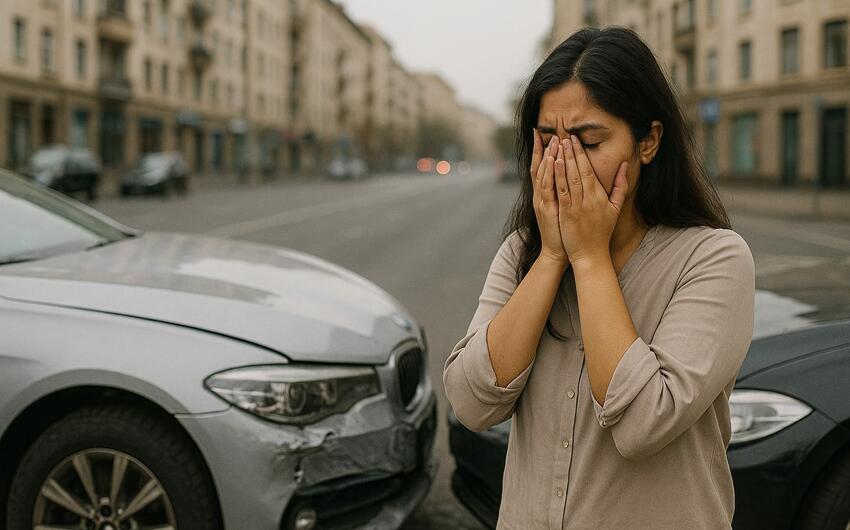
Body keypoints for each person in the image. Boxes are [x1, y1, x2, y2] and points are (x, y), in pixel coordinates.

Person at [443, 26, 755, 529]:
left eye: (589, 141)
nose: (564, 162)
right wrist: (550, 258)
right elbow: (471, 402)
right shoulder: (523, 251)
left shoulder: (715, 259)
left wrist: (589, 258)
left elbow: (642, 422)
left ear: (648, 142)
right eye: (547, 141)